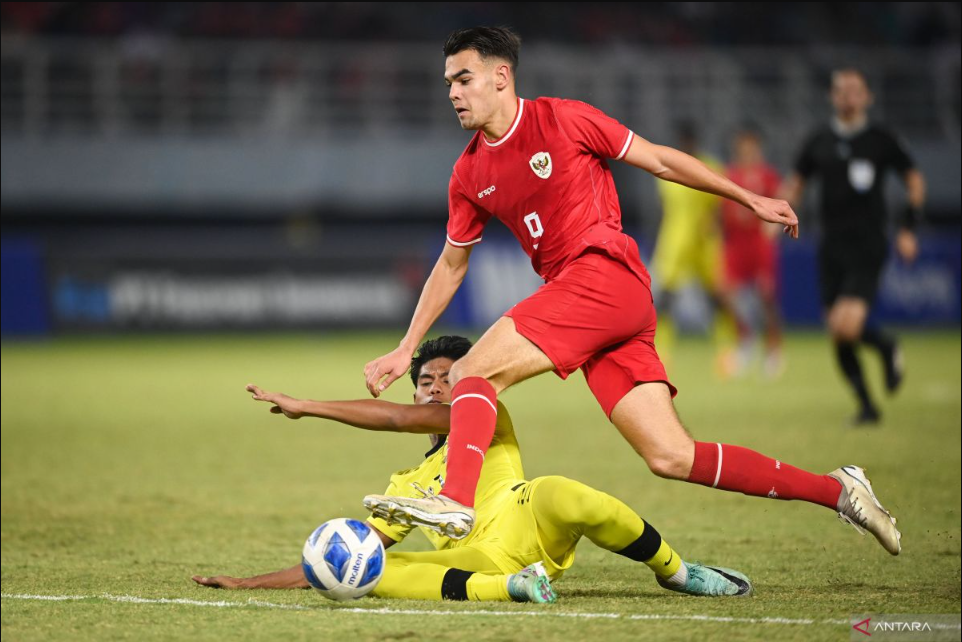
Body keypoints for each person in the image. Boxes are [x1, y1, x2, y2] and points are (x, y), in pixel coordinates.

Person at [361, 26, 900, 557]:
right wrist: (408, 346)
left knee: (470, 372)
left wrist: (747, 197)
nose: (452, 92)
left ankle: (455, 499)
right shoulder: (468, 173)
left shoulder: (565, 119)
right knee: (671, 456)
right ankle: (839, 490)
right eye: (448, 83)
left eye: (463, 78)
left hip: (602, 274)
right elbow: (452, 263)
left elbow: (661, 159)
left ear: (501, 77)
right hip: (598, 304)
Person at [192, 336, 754, 600]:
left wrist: (307, 404)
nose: (439, 389)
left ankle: (679, 572)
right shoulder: (406, 485)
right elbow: (344, 559)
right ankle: (513, 588)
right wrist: (248, 581)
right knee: (370, 575)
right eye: (427, 383)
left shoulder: (486, 416)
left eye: (449, 379)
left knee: (564, 491)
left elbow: (392, 420)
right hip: (481, 559)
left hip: (529, 520)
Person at [781, 68, 926, 425]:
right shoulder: (819, 141)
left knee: (848, 325)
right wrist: (778, 209)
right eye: (841, 90)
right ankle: (867, 407)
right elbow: (796, 183)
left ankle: (886, 346)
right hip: (831, 245)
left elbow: (914, 179)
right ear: (832, 96)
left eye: (855, 90)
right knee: (836, 330)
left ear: (867, 97)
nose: (848, 96)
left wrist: (908, 227)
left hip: (867, 243)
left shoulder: (881, 139)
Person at [650, 120, 740, 376]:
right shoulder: (666, 170)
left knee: (716, 298)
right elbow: (666, 209)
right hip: (675, 241)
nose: (686, 146)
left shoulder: (710, 168)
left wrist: (715, 231)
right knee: (666, 299)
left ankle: (727, 351)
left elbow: (720, 209)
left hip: (705, 242)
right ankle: (662, 354)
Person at [720, 126, 785, 378]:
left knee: (767, 297)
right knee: (725, 292)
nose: (746, 150)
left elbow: (780, 204)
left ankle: (773, 349)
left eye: (751, 146)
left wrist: (774, 230)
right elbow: (723, 209)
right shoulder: (730, 175)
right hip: (736, 243)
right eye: (742, 146)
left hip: (759, 242)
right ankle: (745, 340)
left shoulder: (768, 176)